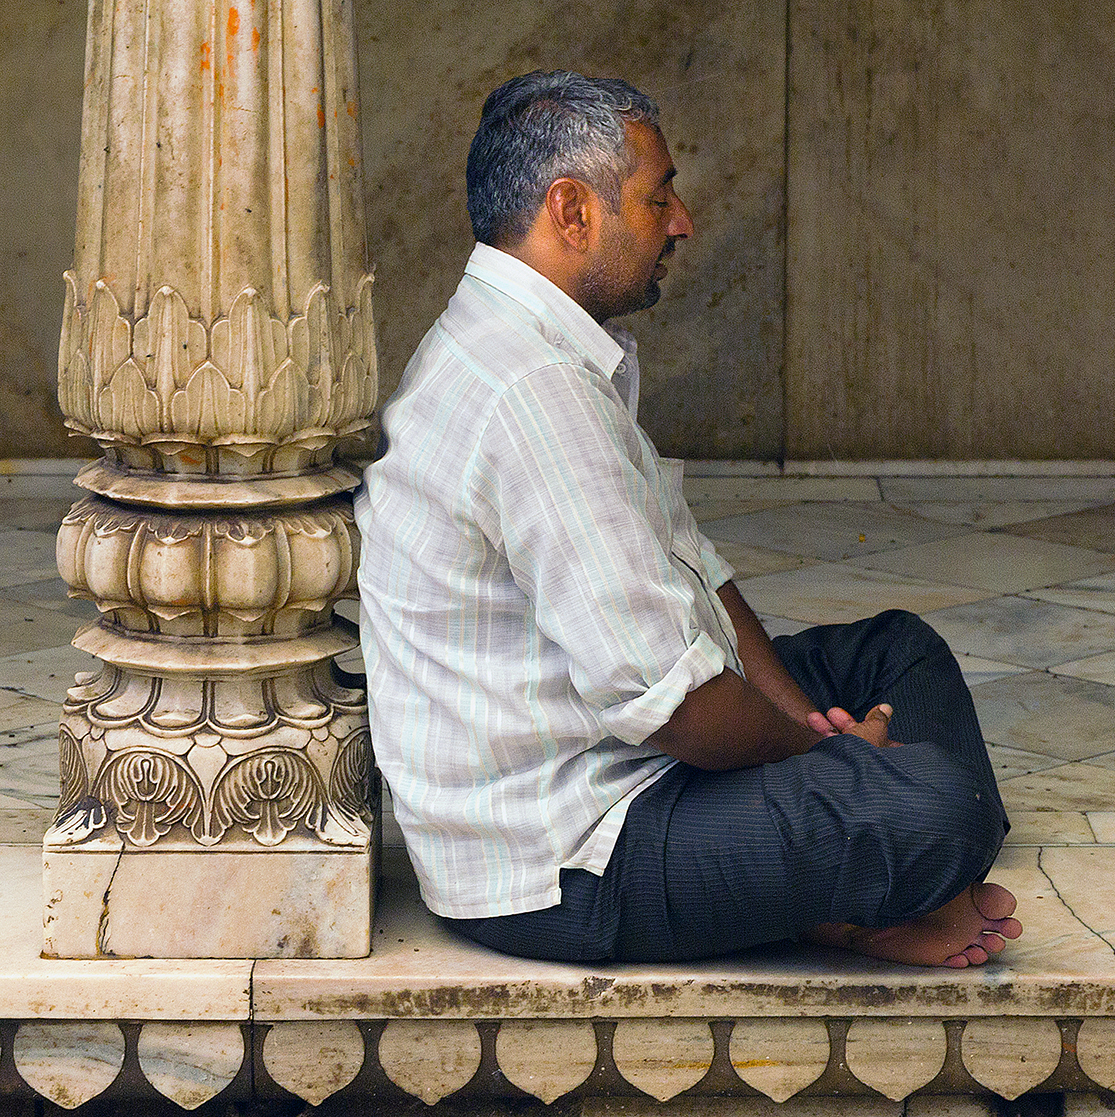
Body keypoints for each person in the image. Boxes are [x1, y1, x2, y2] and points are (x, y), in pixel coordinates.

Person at [353, 70, 1020, 967]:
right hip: (571, 859)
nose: (683, 222)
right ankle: (874, 885)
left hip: (622, 759)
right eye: (657, 196)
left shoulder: (530, 341)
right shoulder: (531, 390)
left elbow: (692, 567)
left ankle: (867, 888)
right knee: (938, 807)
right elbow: (679, 708)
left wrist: (813, 735)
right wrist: (829, 765)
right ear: (571, 210)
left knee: (901, 652)